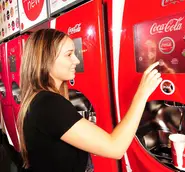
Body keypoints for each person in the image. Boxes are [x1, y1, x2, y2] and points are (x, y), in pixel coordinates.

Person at [17, 29, 162, 172]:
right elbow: (115, 148)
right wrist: (142, 94)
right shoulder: (49, 104)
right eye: (69, 54)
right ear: (45, 60)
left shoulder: (39, 100)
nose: (77, 60)